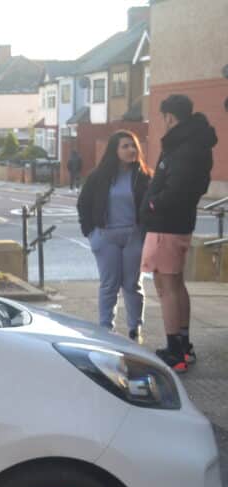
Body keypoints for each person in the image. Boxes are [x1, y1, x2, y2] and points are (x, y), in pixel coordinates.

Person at [139, 94, 218, 372]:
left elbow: (177, 187)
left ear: (169, 117)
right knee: (176, 284)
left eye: (163, 118)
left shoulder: (182, 146)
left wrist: (151, 203)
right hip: (179, 222)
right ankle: (183, 344)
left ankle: (175, 352)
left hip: (166, 224)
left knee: (166, 286)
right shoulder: (196, 142)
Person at [77, 130, 151, 341]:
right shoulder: (99, 176)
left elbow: (151, 208)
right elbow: (84, 204)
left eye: (133, 145)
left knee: (132, 284)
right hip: (105, 236)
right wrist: (90, 233)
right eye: (125, 146)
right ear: (114, 150)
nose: (130, 150)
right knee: (109, 284)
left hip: (133, 236)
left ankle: (135, 329)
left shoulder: (144, 176)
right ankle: (105, 330)